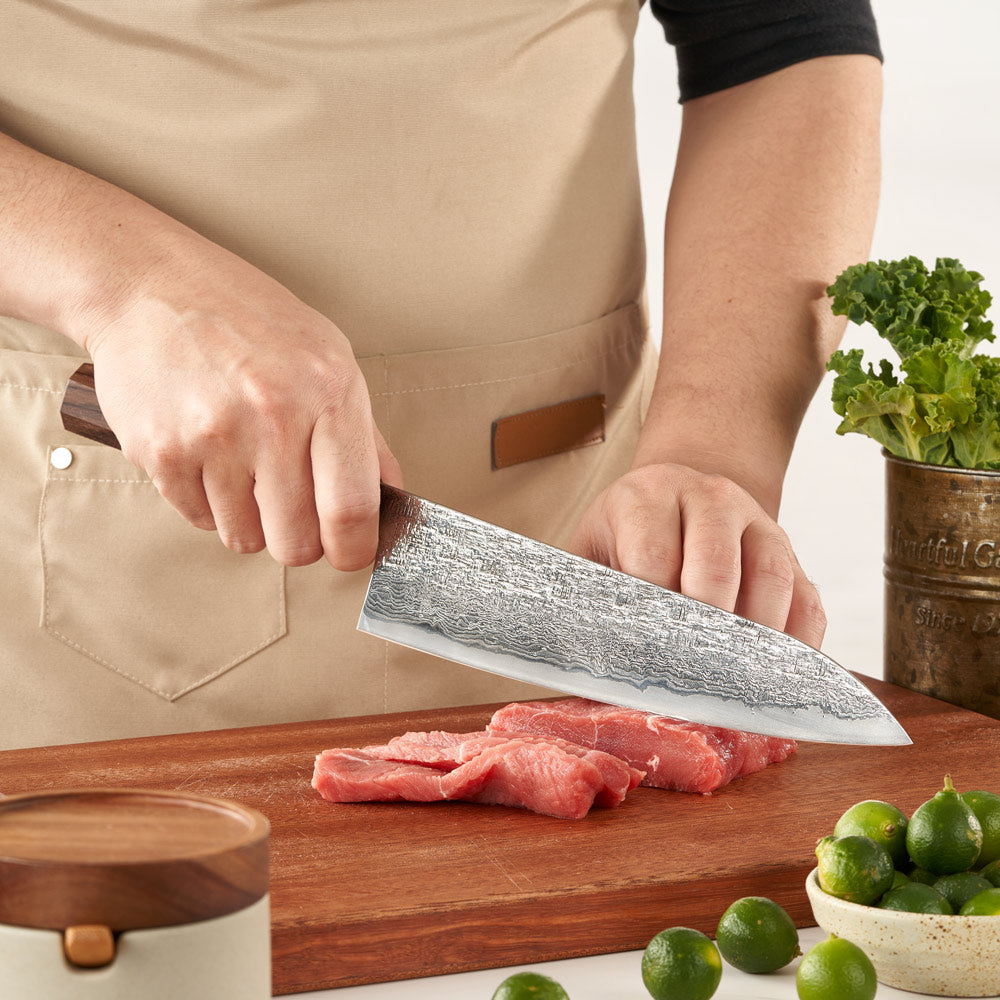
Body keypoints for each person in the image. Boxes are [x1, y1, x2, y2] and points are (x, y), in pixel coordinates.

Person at [0, 1, 883, 750]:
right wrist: (130, 286)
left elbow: (777, 35)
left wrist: (712, 450)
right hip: (101, 581)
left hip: (569, 539)